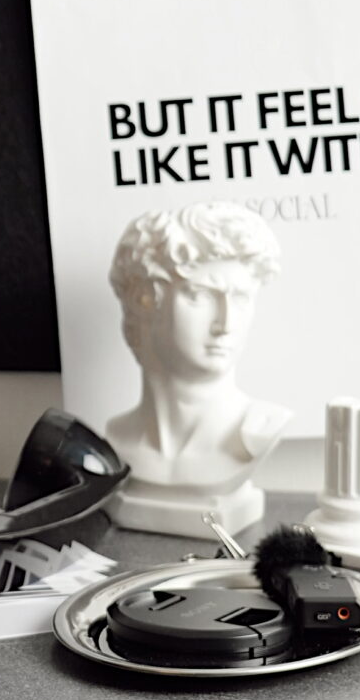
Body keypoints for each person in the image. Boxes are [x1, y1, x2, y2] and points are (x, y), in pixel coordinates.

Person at [105, 202, 289, 536]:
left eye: (242, 298)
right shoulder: (118, 438)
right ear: (146, 301)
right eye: (200, 296)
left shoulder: (260, 430)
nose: (227, 323)